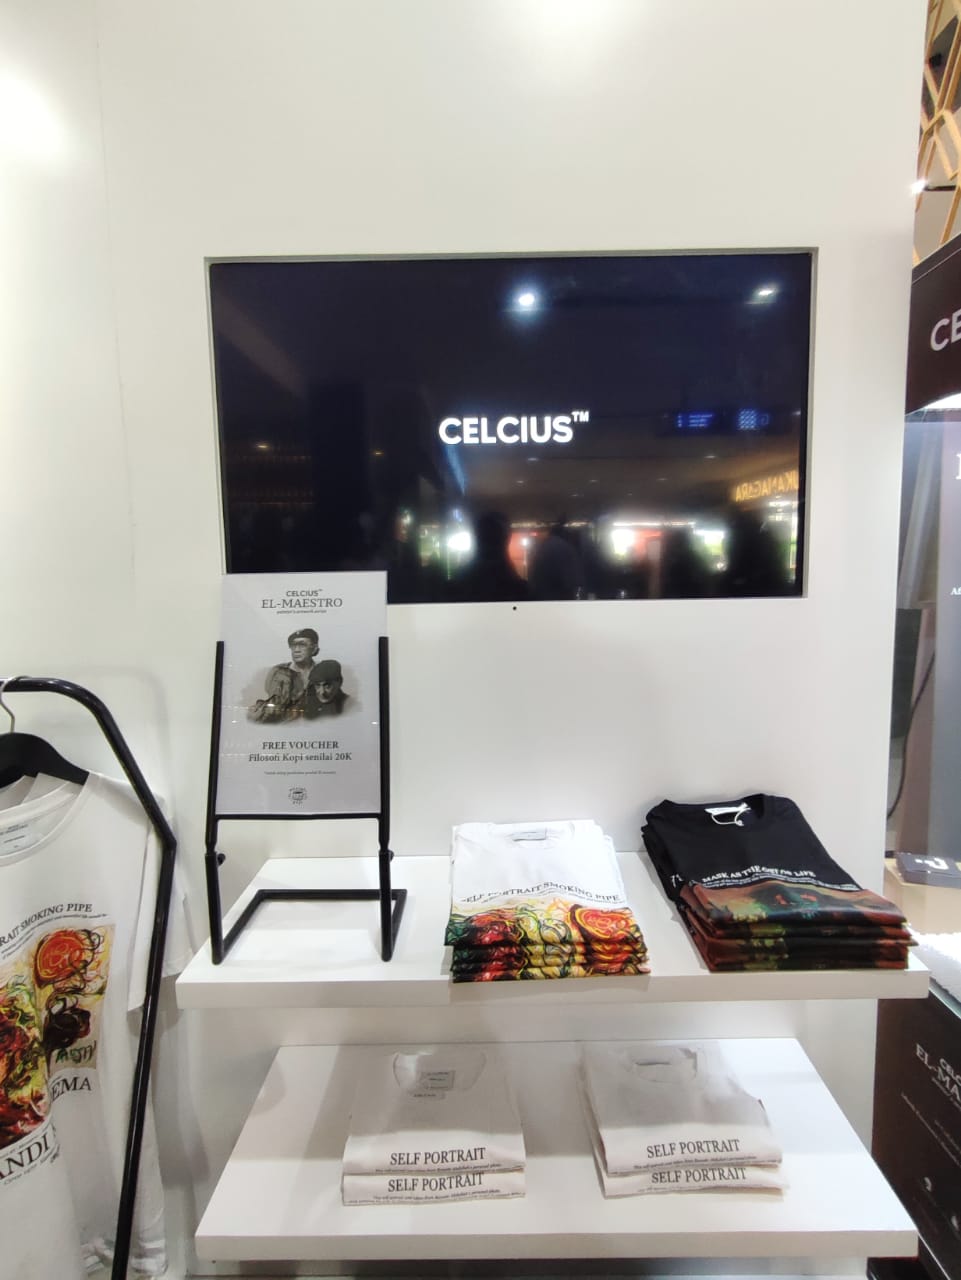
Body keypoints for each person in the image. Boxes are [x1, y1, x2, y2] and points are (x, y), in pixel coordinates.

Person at [248, 628, 323, 722]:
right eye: (293, 645)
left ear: (314, 648)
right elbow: (273, 701)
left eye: (302, 645)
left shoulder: (323, 671)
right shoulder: (278, 671)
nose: (296, 650)